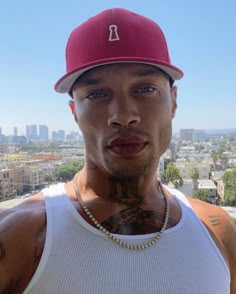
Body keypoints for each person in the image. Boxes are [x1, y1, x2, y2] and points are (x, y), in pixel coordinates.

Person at [0, 7, 235, 294]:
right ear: (74, 111)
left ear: (173, 101)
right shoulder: (19, 237)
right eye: (97, 94)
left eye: (145, 89)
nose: (123, 115)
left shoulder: (218, 231)